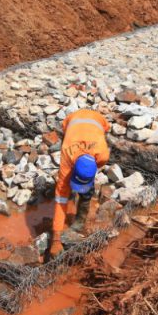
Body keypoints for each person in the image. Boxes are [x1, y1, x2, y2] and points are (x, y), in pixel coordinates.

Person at [49, 109, 110, 257]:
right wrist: (56, 239)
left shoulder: (102, 155)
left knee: (86, 190)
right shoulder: (67, 156)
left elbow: (105, 129)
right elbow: (60, 198)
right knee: (64, 187)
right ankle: (78, 193)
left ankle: (81, 218)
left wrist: (85, 179)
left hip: (100, 121)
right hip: (71, 120)